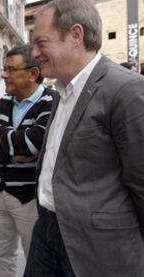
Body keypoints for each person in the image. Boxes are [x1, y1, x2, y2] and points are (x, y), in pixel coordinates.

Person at [25, 0, 144, 276]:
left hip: (95, 247)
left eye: (41, 42)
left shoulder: (126, 90)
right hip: (45, 231)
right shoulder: (61, 91)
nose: (34, 53)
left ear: (76, 35)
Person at [0, 44, 54, 277]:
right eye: (4, 69)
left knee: (37, 258)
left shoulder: (52, 103)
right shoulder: (1, 103)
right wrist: (12, 151)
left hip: (31, 200)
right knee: (0, 256)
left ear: (33, 73)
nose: (3, 75)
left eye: (10, 69)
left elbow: (32, 144)